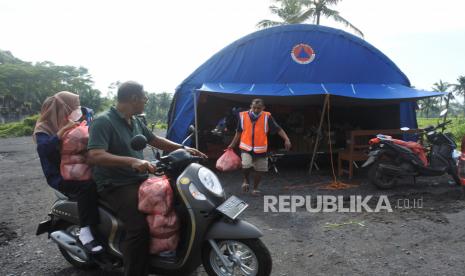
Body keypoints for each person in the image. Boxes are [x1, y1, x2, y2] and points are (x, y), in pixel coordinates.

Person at [86, 81, 206, 276]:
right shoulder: (103, 121)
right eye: (144, 98)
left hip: (139, 179)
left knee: (175, 202)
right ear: (134, 98)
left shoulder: (135, 120)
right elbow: (95, 155)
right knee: (138, 227)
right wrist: (131, 161)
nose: (146, 101)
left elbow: (155, 140)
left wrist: (183, 148)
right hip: (115, 184)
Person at [33, 91, 103, 253]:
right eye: (74, 106)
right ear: (63, 107)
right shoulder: (43, 128)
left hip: (81, 169)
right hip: (59, 176)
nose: (77, 109)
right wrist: (61, 132)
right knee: (87, 187)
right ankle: (85, 232)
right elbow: (44, 150)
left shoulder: (74, 119)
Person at [228, 98, 291, 196]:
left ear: (263, 108)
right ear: (251, 106)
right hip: (246, 147)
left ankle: (255, 188)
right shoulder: (243, 116)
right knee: (246, 165)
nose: (256, 110)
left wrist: (286, 139)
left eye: (259, 108)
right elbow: (238, 131)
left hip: (261, 149)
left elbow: (278, 129)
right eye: (254, 108)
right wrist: (232, 144)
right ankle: (246, 180)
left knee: (260, 170)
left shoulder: (267, 116)